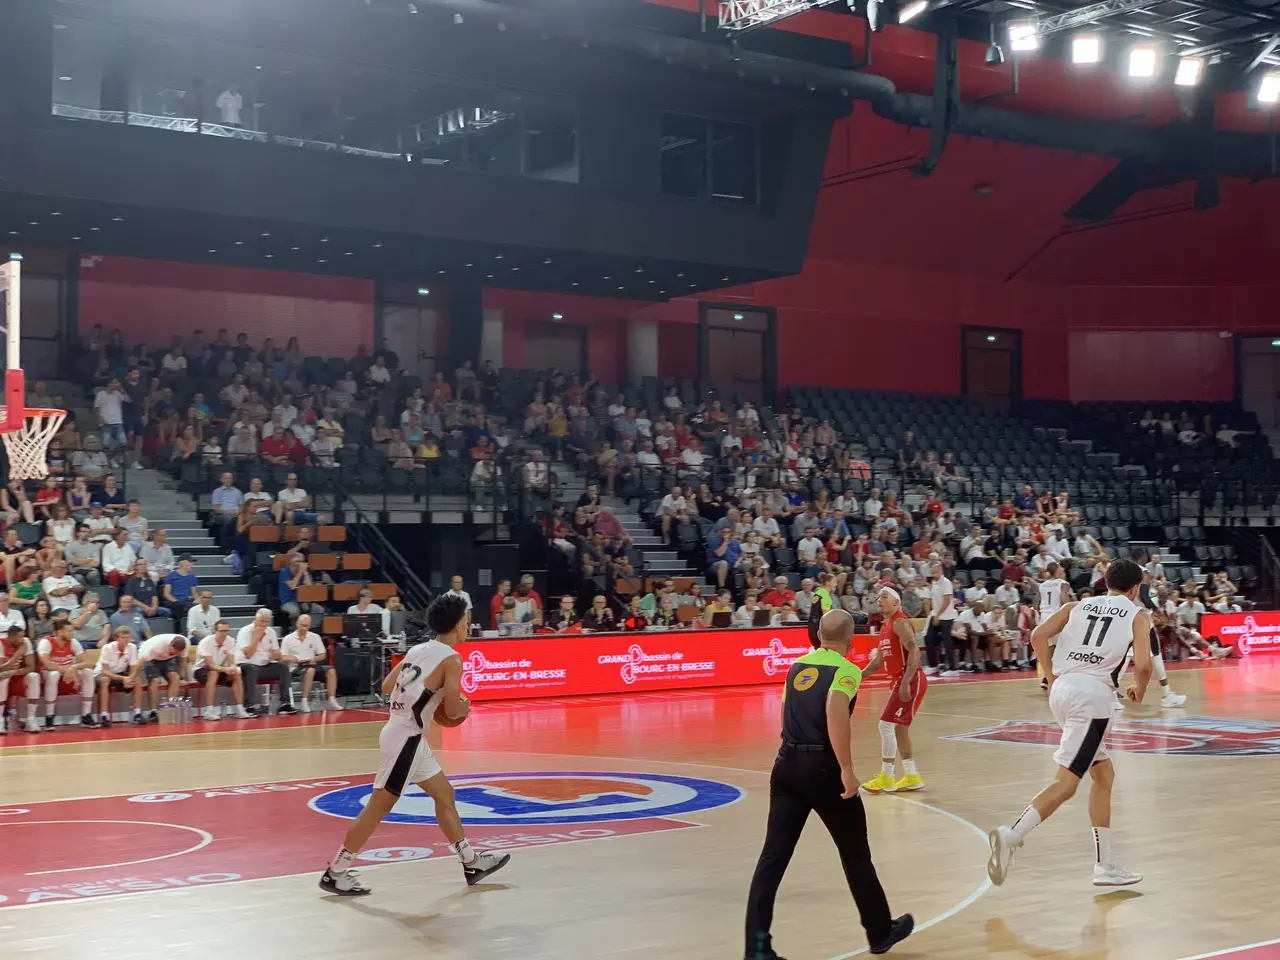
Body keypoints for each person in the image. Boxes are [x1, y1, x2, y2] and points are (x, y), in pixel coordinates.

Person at [743, 608, 914, 960]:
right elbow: (835, 712)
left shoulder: (797, 667)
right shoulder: (845, 670)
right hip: (823, 768)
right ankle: (879, 932)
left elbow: (790, 712)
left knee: (772, 859)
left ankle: (756, 949)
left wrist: (792, 753)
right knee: (855, 854)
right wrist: (846, 768)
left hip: (787, 764)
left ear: (819, 635)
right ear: (851, 639)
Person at [319, 594, 511, 896]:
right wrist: (464, 705)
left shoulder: (418, 649)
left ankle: (471, 862)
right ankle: (336, 871)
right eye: (466, 621)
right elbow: (453, 709)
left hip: (404, 733)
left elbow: (387, 686)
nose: (468, 626)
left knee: (445, 795)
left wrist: (427, 696)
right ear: (458, 624)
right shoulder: (452, 659)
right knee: (378, 807)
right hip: (406, 738)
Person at [987, 558, 1152, 889]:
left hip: (1062, 691)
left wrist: (1050, 676)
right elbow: (1145, 665)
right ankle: (1012, 836)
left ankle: (1105, 865)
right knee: (1067, 784)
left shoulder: (1077, 605)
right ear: (1135, 588)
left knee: (1103, 775)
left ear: (1107, 583)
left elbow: (1037, 636)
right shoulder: (1137, 615)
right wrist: (1140, 688)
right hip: (1093, 699)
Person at [860, 587, 927, 794]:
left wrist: (906, 682)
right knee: (899, 728)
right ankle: (911, 776)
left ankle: (887, 777)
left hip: (910, 678)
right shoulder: (885, 627)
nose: (879, 600)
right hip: (901, 679)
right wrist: (855, 678)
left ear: (896, 602)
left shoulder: (900, 622)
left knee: (885, 725)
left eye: (884, 596)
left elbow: (914, 650)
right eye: (878, 597)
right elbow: (876, 663)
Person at [37, 619, 97, 729]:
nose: (72, 633)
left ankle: (86, 715)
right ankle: (49, 716)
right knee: (54, 674)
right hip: (48, 674)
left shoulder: (73, 642)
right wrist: (67, 670)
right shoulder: (46, 642)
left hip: (69, 672)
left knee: (88, 672)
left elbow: (86, 662)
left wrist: (73, 668)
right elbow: (47, 665)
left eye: (72, 630)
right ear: (60, 632)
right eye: (69, 631)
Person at [236, 608, 298, 715]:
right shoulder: (245, 631)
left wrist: (275, 655)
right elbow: (248, 654)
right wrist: (256, 638)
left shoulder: (271, 632)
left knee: (283, 668)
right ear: (255, 619)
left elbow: (277, 655)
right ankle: (249, 706)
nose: (264, 624)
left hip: (265, 665)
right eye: (261, 621)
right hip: (247, 664)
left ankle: (285, 704)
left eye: (267, 621)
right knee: (251, 669)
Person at [194, 620, 256, 721]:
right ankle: (209, 710)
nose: (224, 634)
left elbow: (231, 660)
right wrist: (225, 669)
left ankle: (239, 708)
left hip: (221, 669)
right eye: (222, 631)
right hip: (202, 670)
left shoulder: (230, 641)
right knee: (213, 674)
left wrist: (232, 667)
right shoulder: (206, 642)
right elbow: (210, 665)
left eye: (226, 631)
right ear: (215, 631)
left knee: (236, 673)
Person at [281, 613, 343, 713]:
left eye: (306, 626)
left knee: (331, 671)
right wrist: (292, 659)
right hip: (296, 667)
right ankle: (304, 701)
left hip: (311, 663)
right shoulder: (288, 639)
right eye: (302, 625)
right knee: (310, 671)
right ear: (297, 624)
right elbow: (282, 658)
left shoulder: (315, 637)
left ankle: (332, 700)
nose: (304, 628)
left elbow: (322, 655)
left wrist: (314, 659)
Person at [94, 625, 145, 726]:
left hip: (120, 674)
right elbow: (105, 671)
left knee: (137, 680)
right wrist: (123, 679)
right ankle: (104, 716)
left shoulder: (132, 647)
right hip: (102, 674)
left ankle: (137, 713)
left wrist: (130, 678)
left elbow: (134, 667)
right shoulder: (107, 648)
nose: (126, 640)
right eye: (123, 637)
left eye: (128, 637)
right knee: (105, 680)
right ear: (116, 638)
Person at [0, 624, 41, 733]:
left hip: (17, 678)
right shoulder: (1, 643)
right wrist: (17, 655)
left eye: (23, 636)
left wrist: (13, 672)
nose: (22, 639)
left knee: (34, 676)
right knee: (3, 678)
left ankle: (31, 718)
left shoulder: (25, 642)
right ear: (11, 637)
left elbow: (31, 667)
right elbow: (1, 669)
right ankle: (0, 720)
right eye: (19, 637)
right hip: (3, 679)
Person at [139, 634, 189, 719]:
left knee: (175, 677)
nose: (175, 653)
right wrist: (134, 677)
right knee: (155, 681)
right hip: (151, 658)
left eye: (177, 653)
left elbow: (183, 660)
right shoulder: (154, 647)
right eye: (173, 652)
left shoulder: (186, 644)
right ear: (170, 645)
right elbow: (139, 663)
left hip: (167, 659)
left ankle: (171, 707)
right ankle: (154, 711)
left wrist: (182, 677)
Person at [1036, 562, 1069, 691]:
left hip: (1043, 617)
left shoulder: (1042, 585)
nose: (1062, 569)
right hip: (1056, 617)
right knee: (1062, 646)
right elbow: (1064, 601)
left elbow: (1036, 604)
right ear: (1056, 570)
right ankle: (1057, 675)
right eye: (1060, 567)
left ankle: (1046, 677)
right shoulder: (1063, 583)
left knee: (1050, 648)